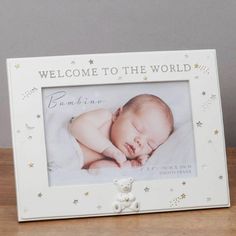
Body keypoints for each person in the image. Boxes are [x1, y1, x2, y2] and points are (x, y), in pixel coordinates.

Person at [68, 94, 174, 169]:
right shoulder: (105, 117)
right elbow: (77, 126)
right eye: (137, 128)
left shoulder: (120, 158)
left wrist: (129, 165)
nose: (140, 142)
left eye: (150, 144)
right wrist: (108, 149)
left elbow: (95, 168)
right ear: (118, 114)